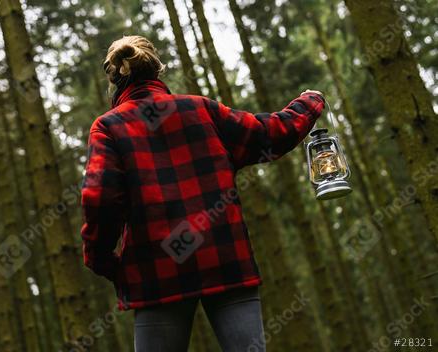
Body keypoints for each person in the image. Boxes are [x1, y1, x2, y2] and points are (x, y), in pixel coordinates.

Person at [80, 35, 324, 352]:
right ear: (157, 69)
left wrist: (102, 261)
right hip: (225, 259)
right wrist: (310, 102)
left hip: (156, 273)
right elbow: (269, 135)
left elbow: (99, 199)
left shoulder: (108, 127)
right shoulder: (202, 109)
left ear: (115, 76)